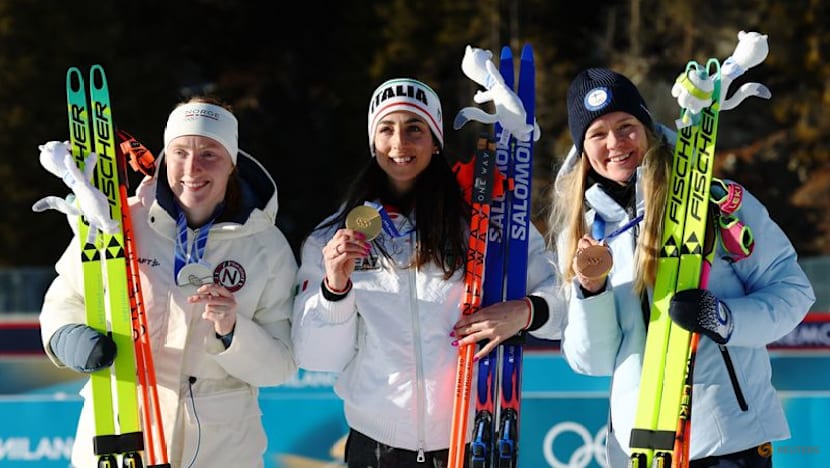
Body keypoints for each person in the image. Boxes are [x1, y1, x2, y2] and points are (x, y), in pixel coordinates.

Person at [546, 67, 815, 467]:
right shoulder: (582, 232)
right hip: (640, 448)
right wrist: (591, 290)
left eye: (625, 126)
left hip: (729, 441)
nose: (615, 143)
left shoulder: (714, 201)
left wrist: (724, 319)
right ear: (583, 149)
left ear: (646, 127)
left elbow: (792, 291)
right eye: (597, 134)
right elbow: (593, 361)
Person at [291, 77, 563, 467]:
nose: (399, 143)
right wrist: (334, 290)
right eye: (386, 129)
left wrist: (526, 311)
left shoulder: (482, 221)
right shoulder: (332, 238)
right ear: (372, 142)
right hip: (377, 448)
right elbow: (317, 358)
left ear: (435, 141)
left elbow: (562, 295)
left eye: (414, 128)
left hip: (471, 439)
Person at [38, 96, 298, 468]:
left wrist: (232, 331)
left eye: (209, 153)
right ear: (165, 158)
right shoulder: (118, 223)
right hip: (119, 432)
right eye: (180, 152)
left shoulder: (266, 247)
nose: (192, 167)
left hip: (220, 449)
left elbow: (280, 366)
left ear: (232, 163)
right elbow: (65, 298)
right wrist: (67, 337)